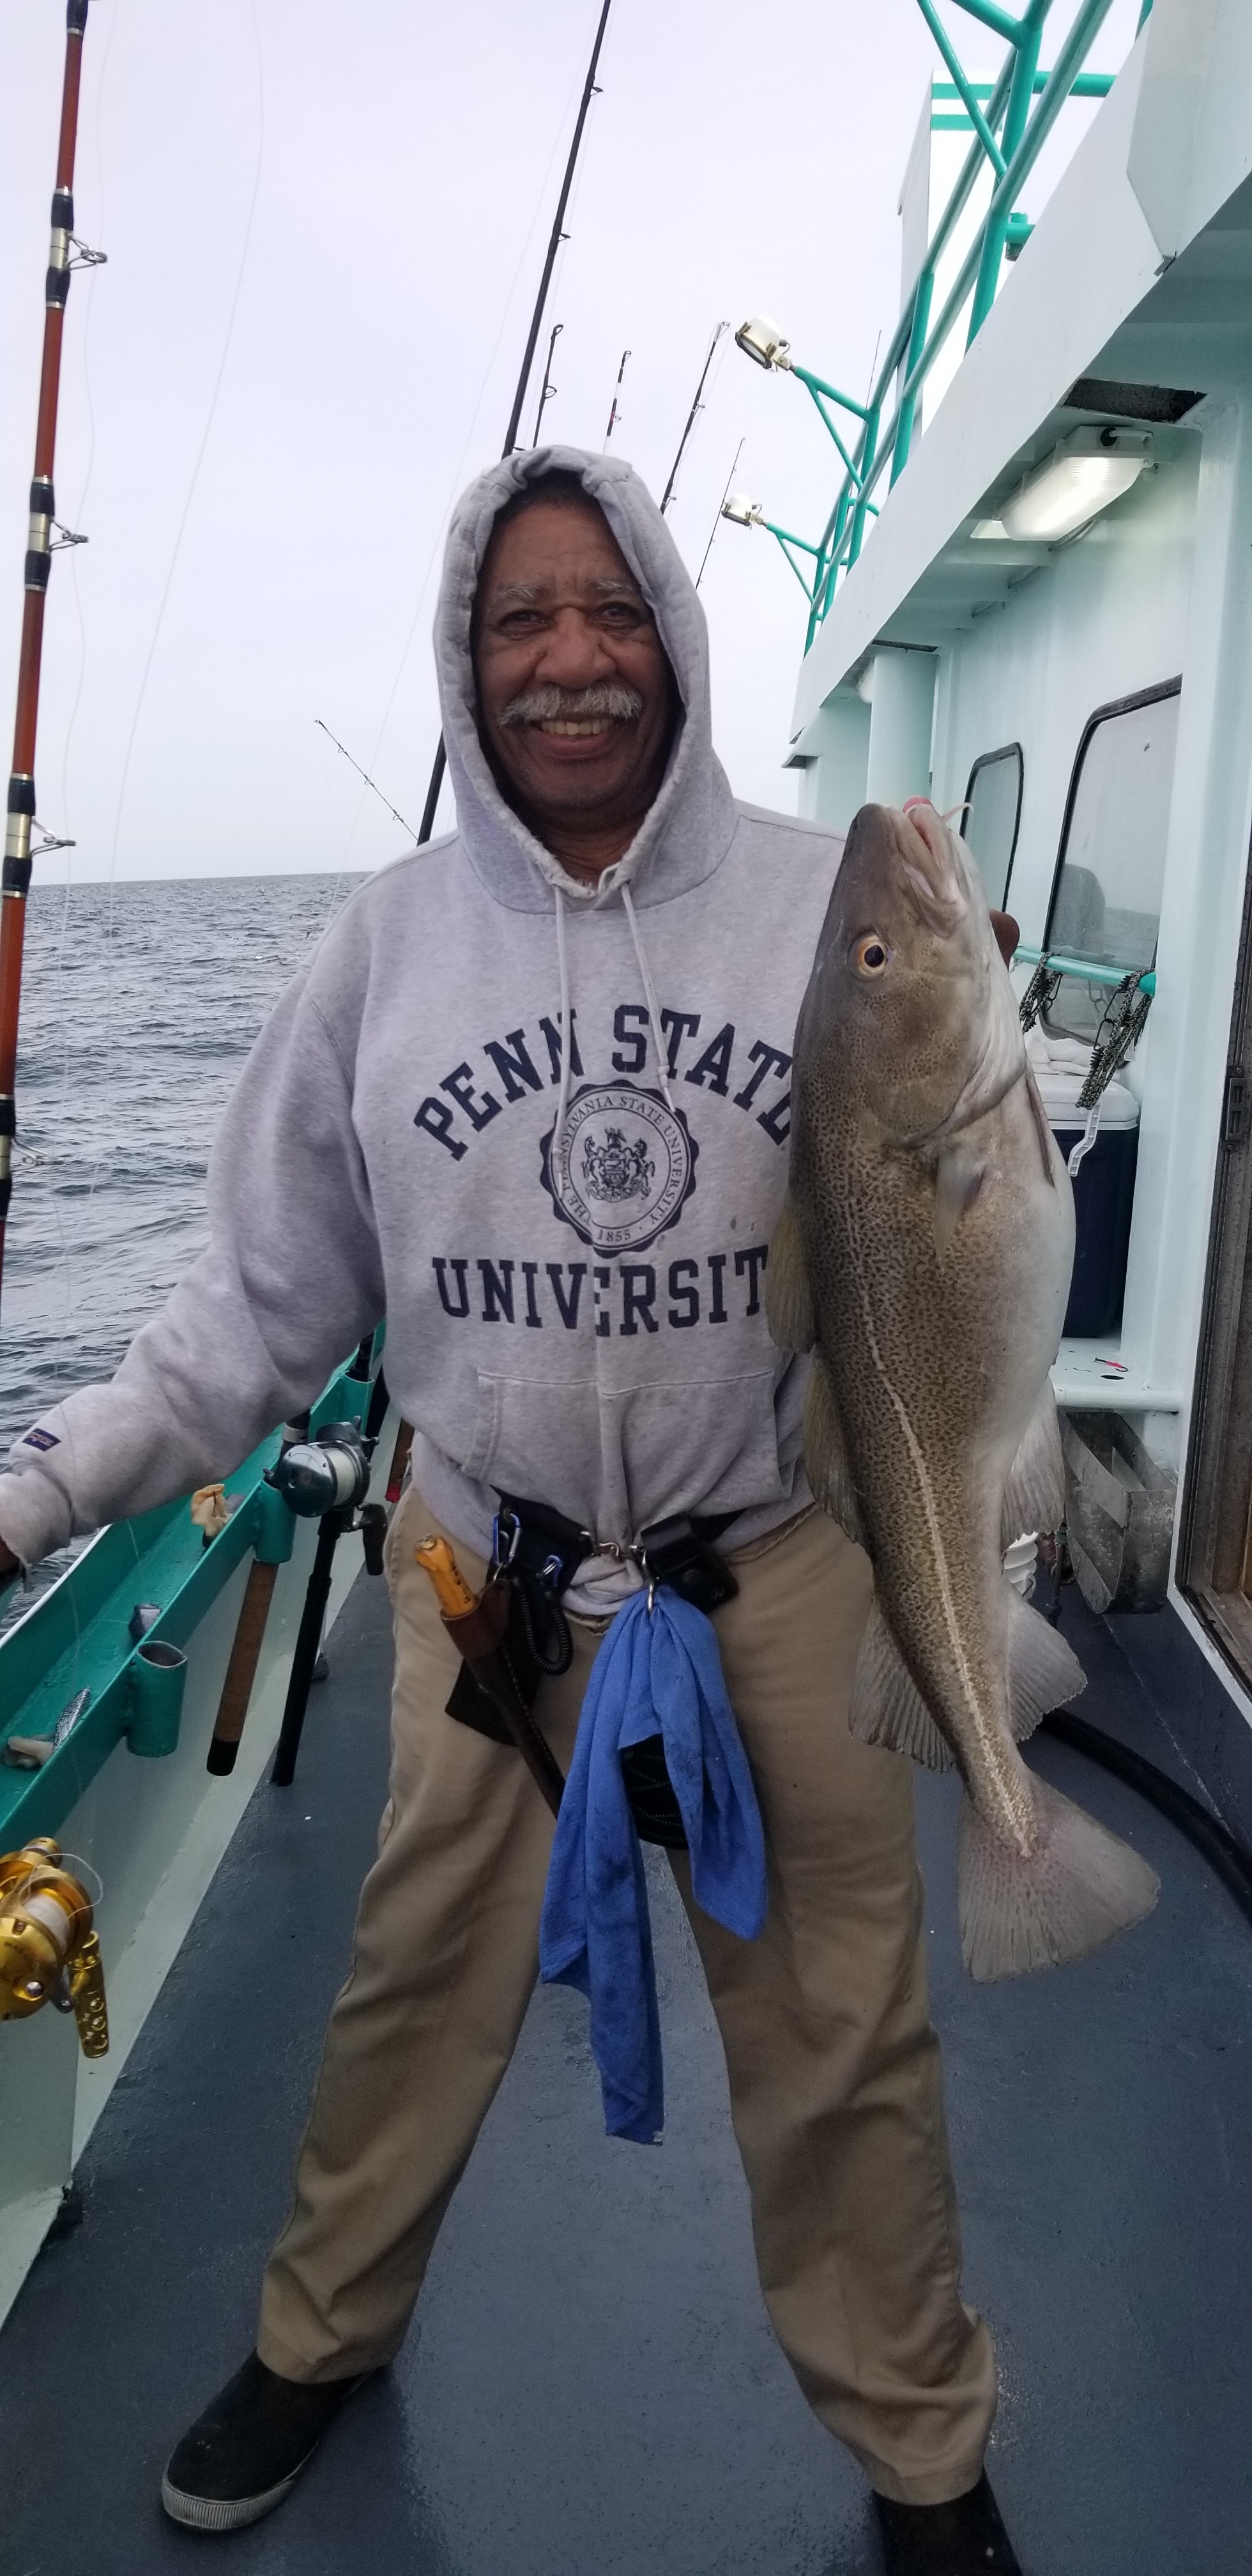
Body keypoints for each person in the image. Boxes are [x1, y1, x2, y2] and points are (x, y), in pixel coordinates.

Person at [0, 450, 1021, 2575]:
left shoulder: (819, 907)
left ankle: (925, 2456)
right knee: (408, 1993)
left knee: (848, 2038)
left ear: (677, 634)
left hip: (782, 1565)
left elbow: (953, 1227)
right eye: (522, 618)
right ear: (467, 659)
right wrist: (40, 1494)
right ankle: (321, 2337)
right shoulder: (383, 950)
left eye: (611, 608)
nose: (571, 659)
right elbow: (251, 1313)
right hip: (487, 1574)